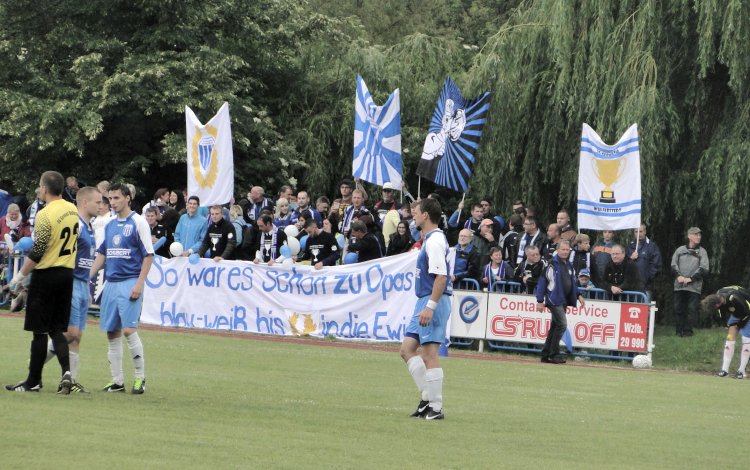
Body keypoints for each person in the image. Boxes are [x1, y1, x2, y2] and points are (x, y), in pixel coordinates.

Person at [5, 171, 79, 393]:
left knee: (39, 331)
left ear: (45, 189)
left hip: (46, 274)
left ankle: (33, 381)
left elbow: (37, 252)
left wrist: (17, 279)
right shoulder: (72, 209)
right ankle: (67, 371)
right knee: (57, 328)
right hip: (66, 274)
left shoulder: (45, 214)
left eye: (39, 186)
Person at [89, 183, 154, 394]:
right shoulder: (109, 225)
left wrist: (139, 284)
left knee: (129, 330)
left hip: (130, 281)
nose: (113, 203)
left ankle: (139, 378)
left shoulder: (138, 222)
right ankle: (117, 381)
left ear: (127, 198)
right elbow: (102, 254)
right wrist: (86, 276)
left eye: (116, 198)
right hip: (111, 283)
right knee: (112, 332)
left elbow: (148, 255)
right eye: (111, 199)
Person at [43, 186, 101, 393]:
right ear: (84, 203)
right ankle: (36, 364)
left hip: (82, 284)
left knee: (77, 337)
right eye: (97, 202)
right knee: (70, 333)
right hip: (70, 282)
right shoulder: (75, 223)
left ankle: (70, 382)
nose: (101, 205)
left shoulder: (89, 226)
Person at [399, 198, 452, 420]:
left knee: (429, 354)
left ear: (426, 215)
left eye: (416, 212)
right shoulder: (430, 239)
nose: (413, 215)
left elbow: (441, 276)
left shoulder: (435, 241)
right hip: (424, 300)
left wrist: (430, 307)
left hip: (433, 302)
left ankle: (436, 407)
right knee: (407, 349)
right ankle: (426, 397)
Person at [536, 240, 585, 364]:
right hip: (554, 299)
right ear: (557, 250)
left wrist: (578, 295)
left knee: (555, 326)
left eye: (567, 250)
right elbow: (542, 282)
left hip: (564, 300)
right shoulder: (551, 264)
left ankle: (546, 354)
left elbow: (573, 282)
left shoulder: (568, 265)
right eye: (563, 249)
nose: (565, 252)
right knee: (562, 325)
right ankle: (554, 354)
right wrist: (540, 300)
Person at [702, 286, 750, 379]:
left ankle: (741, 371)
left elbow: (747, 311)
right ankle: (724, 370)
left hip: (748, 313)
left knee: (746, 339)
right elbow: (721, 310)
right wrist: (725, 323)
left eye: (714, 308)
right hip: (737, 313)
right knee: (730, 339)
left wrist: (740, 324)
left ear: (716, 304)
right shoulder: (718, 295)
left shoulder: (733, 298)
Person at [671, 227, 709, 337]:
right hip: (679, 286)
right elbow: (673, 265)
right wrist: (678, 276)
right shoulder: (680, 250)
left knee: (691, 309)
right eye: (696, 235)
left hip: (694, 287)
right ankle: (679, 331)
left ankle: (688, 331)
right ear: (689, 236)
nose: (698, 237)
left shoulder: (702, 252)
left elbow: (704, 269)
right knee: (678, 308)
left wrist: (691, 278)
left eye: (699, 235)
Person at [625, 224, 662, 300]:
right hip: (630, 287)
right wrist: (631, 258)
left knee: (644, 310)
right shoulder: (629, 247)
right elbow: (623, 264)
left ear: (645, 232)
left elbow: (656, 266)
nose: (639, 234)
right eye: (636, 231)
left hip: (645, 287)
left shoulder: (652, 246)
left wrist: (645, 279)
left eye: (641, 231)